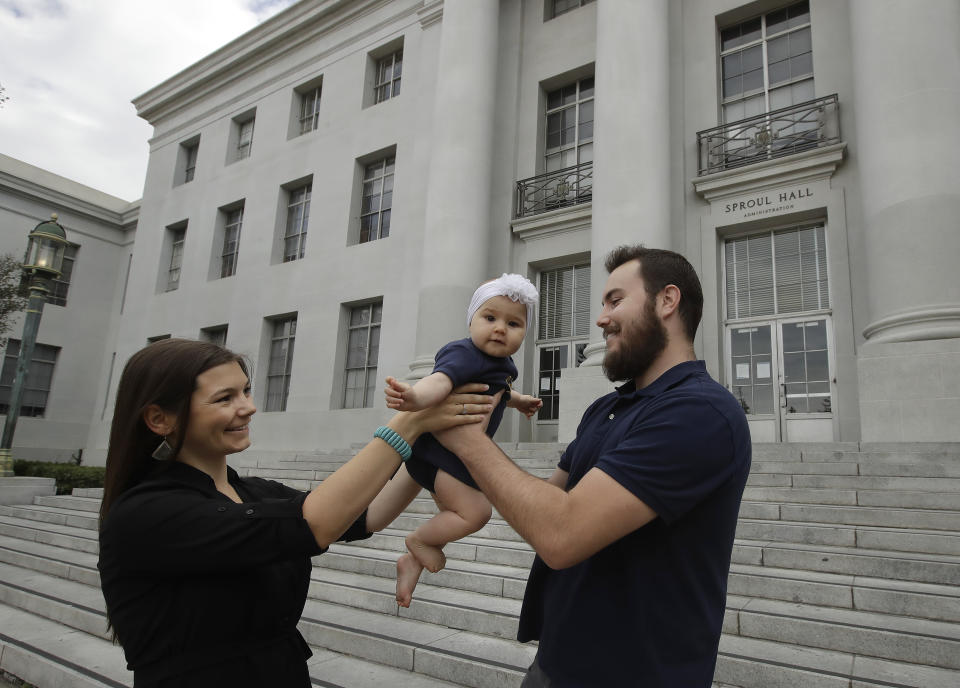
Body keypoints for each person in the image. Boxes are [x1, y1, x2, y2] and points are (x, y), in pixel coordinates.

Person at [434, 246, 752, 687]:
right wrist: (436, 477)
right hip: (555, 663)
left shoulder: (700, 413)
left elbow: (562, 532)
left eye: (615, 301)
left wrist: (463, 436)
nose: (601, 319)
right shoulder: (606, 407)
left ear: (667, 301)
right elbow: (542, 507)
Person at [96, 338, 494, 688]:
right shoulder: (146, 513)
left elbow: (367, 513)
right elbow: (313, 523)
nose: (248, 408)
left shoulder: (254, 492)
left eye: (246, 392)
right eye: (224, 398)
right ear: (158, 419)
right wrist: (408, 423)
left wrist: (429, 443)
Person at [365, 273, 543, 607]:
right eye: (490, 318)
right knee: (475, 512)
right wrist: (416, 398)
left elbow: (498, 391)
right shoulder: (464, 353)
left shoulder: (500, 364)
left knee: (451, 515)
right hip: (437, 455)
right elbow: (440, 381)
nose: (501, 328)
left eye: (514, 323)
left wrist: (517, 401)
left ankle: (413, 562)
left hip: (456, 460)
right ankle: (417, 541)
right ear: (471, 319)